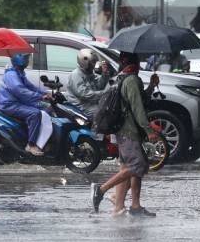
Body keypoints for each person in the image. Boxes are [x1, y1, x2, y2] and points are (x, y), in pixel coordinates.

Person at [90, 51, 160, 218]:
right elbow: (138, 108)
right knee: (137, 166)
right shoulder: (132, 80)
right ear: (134, 61)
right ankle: (100, 190)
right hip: (129, 131)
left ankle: (130, 207)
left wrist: (151, 85)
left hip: (124, 130)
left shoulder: (124, 77)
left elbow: (141, 100)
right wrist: (149, 130)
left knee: (133, 168)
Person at [0, 54, 53, 156]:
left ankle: (40, 139)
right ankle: (31, 145)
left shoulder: (19, 73)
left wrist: (44, 94)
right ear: (19, 60)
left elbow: (30, 87)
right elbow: (21, 91)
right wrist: (40, 97)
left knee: (45, 107)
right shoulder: (11, 75)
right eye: (26, 58)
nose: (28, 61)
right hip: (10, 105)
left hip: (19, 102)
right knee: (35, 114)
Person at [67, 49, 110, 118]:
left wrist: (104, 74)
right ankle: (96, 128)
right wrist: (104, 93)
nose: (94, 65)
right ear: (84, 62)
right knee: (102, 113)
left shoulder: (89, 73)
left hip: (90, 103)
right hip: (81, 105)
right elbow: (85, 94)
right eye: (92, 63)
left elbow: (99, 86)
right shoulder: (76, 75)